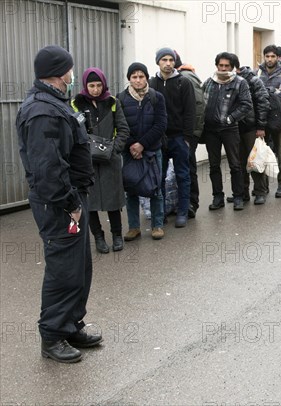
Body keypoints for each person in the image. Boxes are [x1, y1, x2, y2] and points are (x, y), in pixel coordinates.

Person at [16, 45, 101, 363]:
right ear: (58, 71)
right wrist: (70, 204)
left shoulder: (55, 103)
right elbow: (48, 168)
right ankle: (52, 336)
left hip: (72, 197)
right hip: (60, 204)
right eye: (70, 66)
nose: (73, 70)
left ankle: (69, 325)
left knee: (79, 267)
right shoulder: (42, 111)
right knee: (63, 269)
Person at [71, 68, 129, 254]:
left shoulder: (113, 103)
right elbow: (72, 132)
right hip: (86, 162)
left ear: (103, 85)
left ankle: (117, 235)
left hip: (109, 159)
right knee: (91, 201)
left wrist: (114, 149)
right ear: (85, 86)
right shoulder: (76, 104)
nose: (95, 89)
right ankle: (98, 237)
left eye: (98, 85)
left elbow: (123, 129)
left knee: (113, 199)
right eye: (91, 85)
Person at [118, 62, 168, 241]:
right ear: (129, 79)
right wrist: (132, 145)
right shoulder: (121, 99)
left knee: (156, 189)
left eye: (141, 76)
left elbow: (161, 124)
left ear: (146, 77)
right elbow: (120, 126)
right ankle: (133, 227)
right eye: (134, 77)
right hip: (129, 152)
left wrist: (142, 145)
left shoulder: (156, 97)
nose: (138, 80)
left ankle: (157, 225)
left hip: (152, 151)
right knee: (131, 189)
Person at [149, 47, 195, 227]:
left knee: (183, 176)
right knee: (158, 177)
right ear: (158, 62)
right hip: (159, 138)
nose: (168, 63)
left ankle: (183, 212)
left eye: (171, 60)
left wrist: (187, 138)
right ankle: (160, 213)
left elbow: (190, 111)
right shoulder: (152, 84)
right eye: (164, 60)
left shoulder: (183, 83)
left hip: (179, 138)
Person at [202, 52, 253, 210]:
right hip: (211, 130)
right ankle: (218, 197)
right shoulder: (209, 82)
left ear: (232, 67)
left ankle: (238, 196)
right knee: (214, 165)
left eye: (227, 66)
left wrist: (230, 118)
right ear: (216, 65)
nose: (223, 69)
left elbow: (246, 104)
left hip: (230, 129)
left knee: (235, 165)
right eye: (221, 65)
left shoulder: (240, 82)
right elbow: (200, 103)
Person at [231, 54, 270, 205]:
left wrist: (260, 126)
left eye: (229, 66)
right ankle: (242, 193)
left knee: (255, 161)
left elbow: (263, 103)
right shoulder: (225, 81)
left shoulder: (253, 80)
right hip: (233, 129)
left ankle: (260, 192)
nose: (225, 69)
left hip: (251, 128)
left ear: (236, 67)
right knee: (238, 163)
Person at [257, 45, 281, 198]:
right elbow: (254, 93)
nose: (270, 59)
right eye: (267, 56)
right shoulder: (257, 72)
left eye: (273, 56)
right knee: (262, 154)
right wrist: (272, 90)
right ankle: (262, 188)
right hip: (262, 119)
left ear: (278, 58)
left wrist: (264, 91)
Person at [173, 52, 206, 218]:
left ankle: (191, 203)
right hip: (177, 134)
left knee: (187, 168)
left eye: (169, 60)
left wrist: (191, 135)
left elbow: (197, 107)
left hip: (187, 135)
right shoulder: (175, 77)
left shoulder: (185, 78)